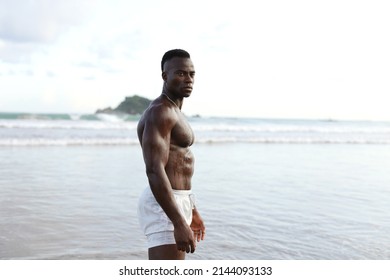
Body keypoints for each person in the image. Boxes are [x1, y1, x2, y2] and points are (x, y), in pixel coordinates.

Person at [137, 49, 206, 260]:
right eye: (180, 73)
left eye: (191, 74)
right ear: (165, 76)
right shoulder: (160, 111)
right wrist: (177, 221)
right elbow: (155, 170)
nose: (188, 79)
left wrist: (191, 208)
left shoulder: (175, 111)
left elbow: (177, 165)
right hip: (164, 205)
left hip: (178, 200)